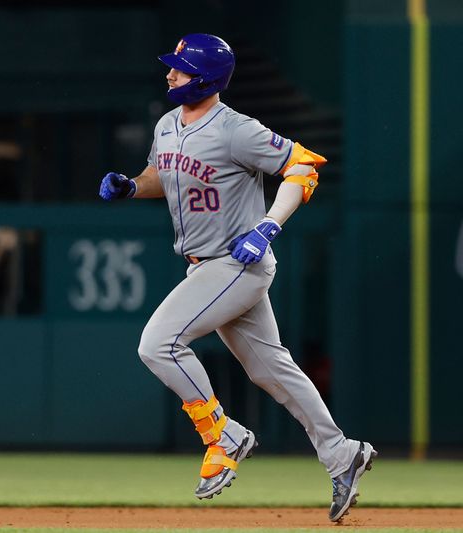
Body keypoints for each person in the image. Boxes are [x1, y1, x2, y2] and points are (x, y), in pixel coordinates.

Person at [98, 33, 375, 522]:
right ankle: (342, 453)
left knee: (158, 344)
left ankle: (223, 435)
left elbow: (303, 166)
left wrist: (268, 226)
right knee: (271, 369)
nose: (170, 73)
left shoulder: (236, 129)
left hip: (237, 262)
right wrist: (130, 187)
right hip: (207, 265)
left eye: (180, 68)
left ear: (204, 76)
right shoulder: (167, 125)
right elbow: (161, 175)